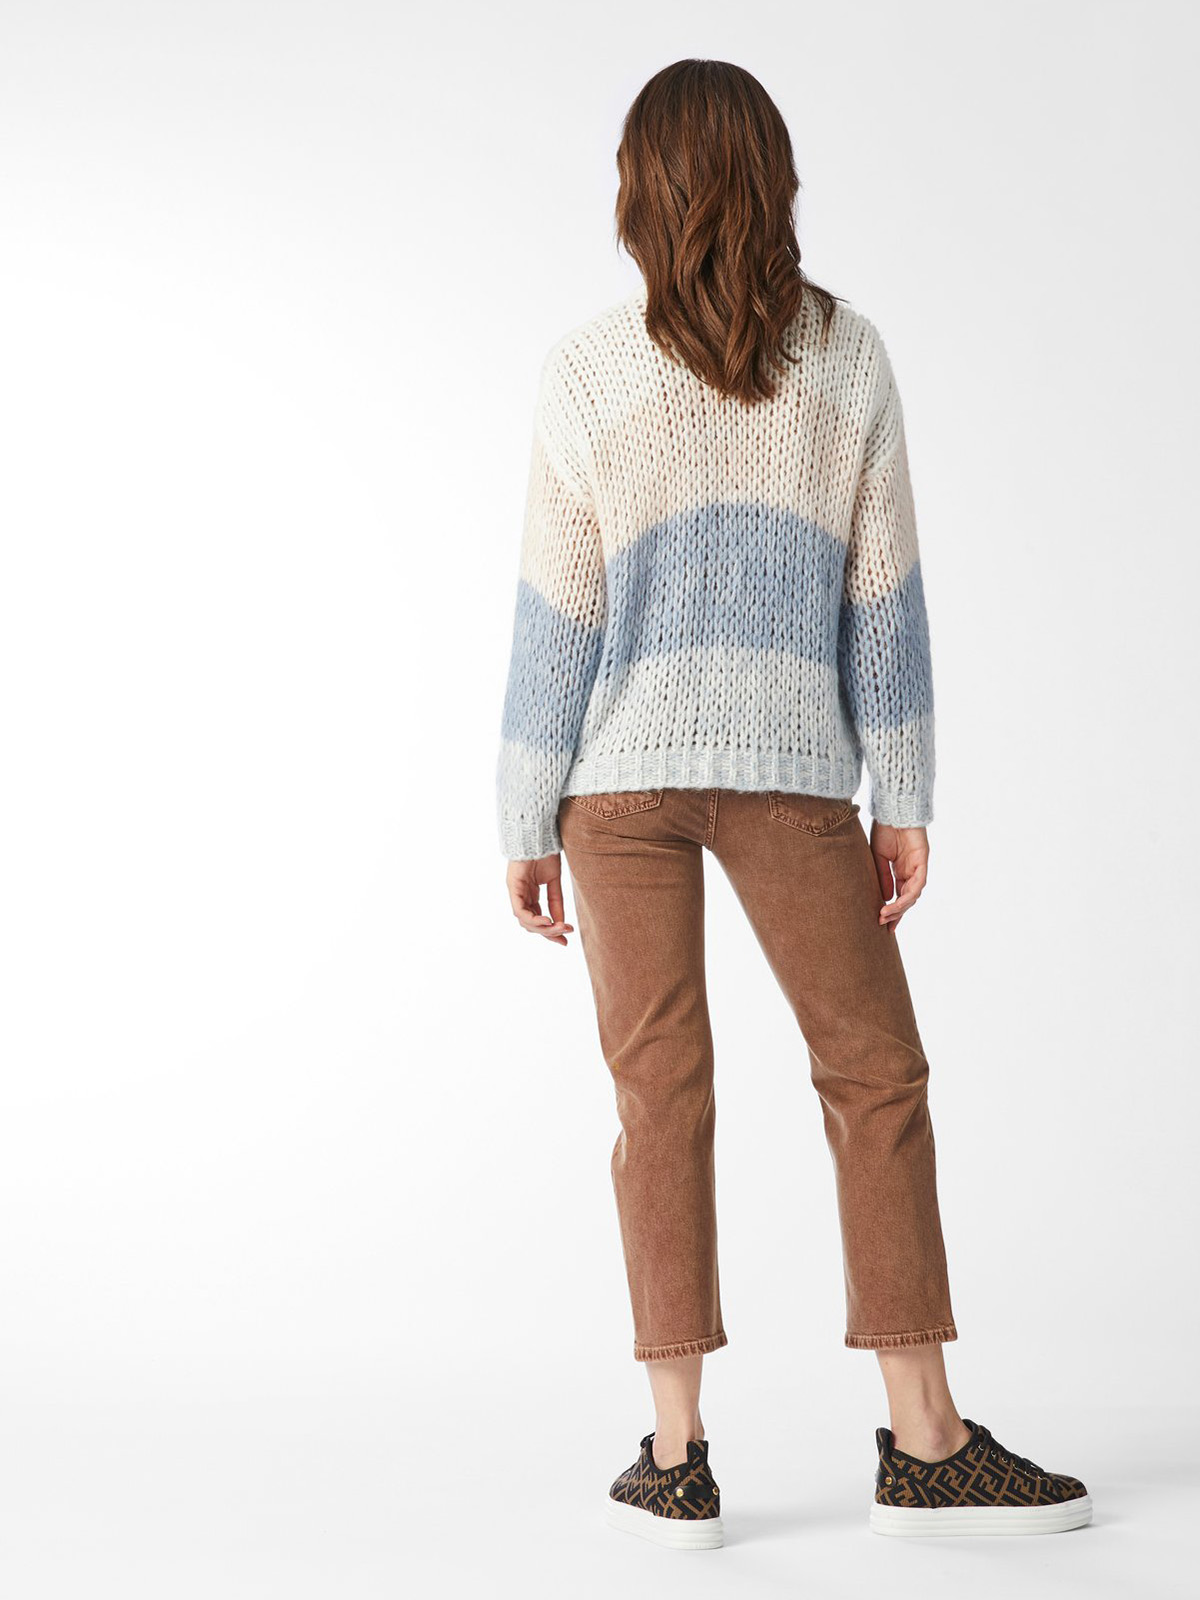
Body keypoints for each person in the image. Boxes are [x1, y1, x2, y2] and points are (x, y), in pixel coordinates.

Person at [496, 58, 1089, 1547]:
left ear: (641, 193)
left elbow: (557, 620)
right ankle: (926, 1441)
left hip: (614, 788)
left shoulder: (589, 368)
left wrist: (523, 814)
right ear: (776, 180)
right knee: (874, 1077)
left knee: (661, 1095)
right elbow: (884, 598)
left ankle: (677, 1456)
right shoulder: (846, 355)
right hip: (792, 769)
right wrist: (906, 791)